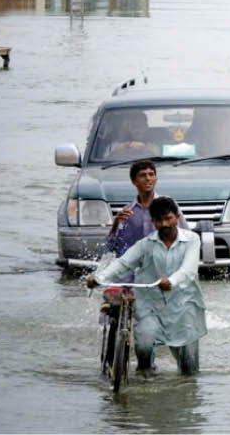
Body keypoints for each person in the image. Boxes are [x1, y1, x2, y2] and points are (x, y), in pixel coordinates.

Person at [87, 196, 206, 375]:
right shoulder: (145, 244)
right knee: (143, 345)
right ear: (153, 222)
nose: (165, 223)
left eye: (169, 218)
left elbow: (189, 270)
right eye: (159, 220)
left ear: (177, 217)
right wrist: (99, 277)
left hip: (184, 305)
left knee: (189, 367)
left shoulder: (192, 240)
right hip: (151, 305)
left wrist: (171, 281)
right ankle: (146, 375)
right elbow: (122, 264)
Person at [107, 160, 190, 259]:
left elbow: (186, 236)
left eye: (151, 174)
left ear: (156, 178)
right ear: (134, 181)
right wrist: (116, 224)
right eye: (142, 175)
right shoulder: (127, 212)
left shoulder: (168, 205)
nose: (148, 178)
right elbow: (111, 247)